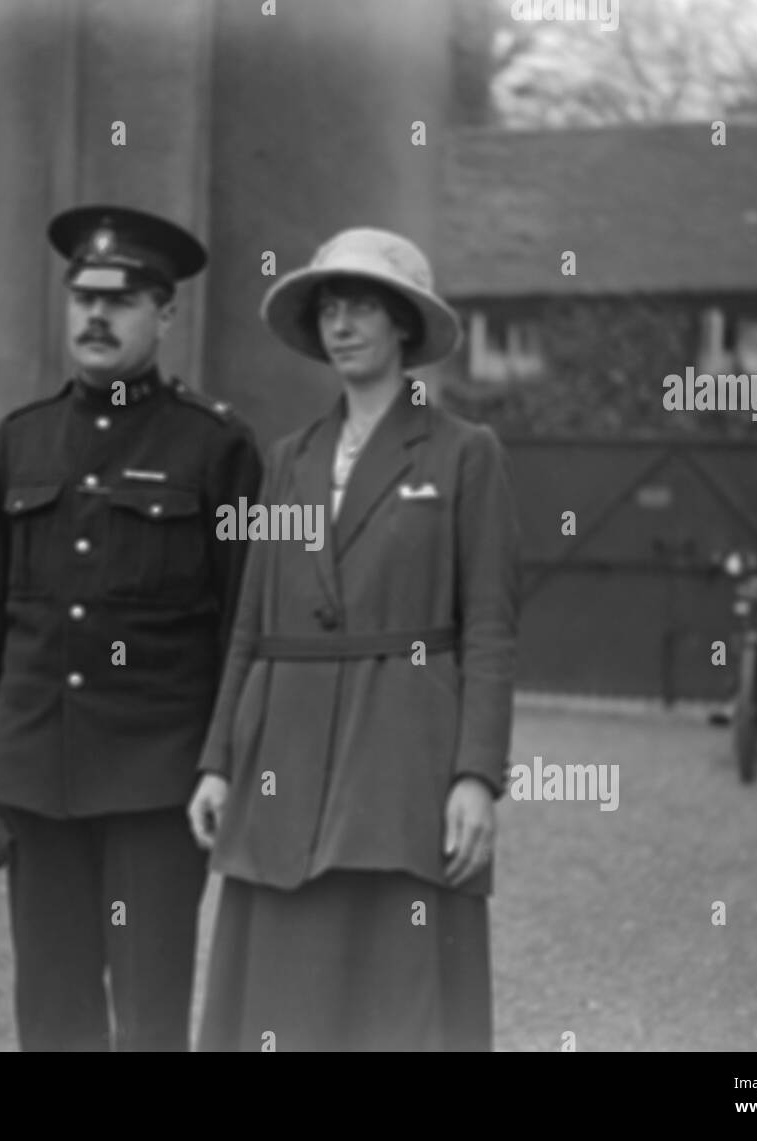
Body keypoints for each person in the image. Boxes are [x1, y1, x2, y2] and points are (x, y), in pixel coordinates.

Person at [188, 227, 522, 1051]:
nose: (341, 324)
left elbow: (489, 628)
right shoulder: (289, 459)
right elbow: (252, 623)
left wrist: (477, 775)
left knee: (397, 1002)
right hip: (284, 753)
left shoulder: (463, 453)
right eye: (329, 307)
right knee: (284, 1001)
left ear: (404, 323)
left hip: (401, 757)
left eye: (362, 304)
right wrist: (220, 759)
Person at [0, 204, 263, 1051]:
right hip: (36, 770)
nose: (95, 315)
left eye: (120, 302)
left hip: (156, 782)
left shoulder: (216, 448)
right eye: (82, 296)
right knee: (50, 1010)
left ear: (165, 315)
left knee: (149, 1012)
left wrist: (222, 763)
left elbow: (246, 626)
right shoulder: (24, 439)